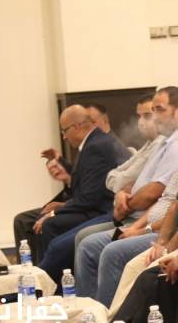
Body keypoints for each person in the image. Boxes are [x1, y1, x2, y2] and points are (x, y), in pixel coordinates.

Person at [77, 99, 178, 307]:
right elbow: (175, 204)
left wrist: (166, 246)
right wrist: (161, 242)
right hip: (160, 232)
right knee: (95, 245)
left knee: (117, 256)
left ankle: (111, 320)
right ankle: (104, 317)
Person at [38, 87, 178, 287]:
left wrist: (133, 215)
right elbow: (128, 179)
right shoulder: (161, 143)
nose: (151, 119)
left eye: (157, 110)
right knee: (78, 239)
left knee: (87, 244)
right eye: (147, 113)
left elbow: (156, 195)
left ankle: (47, 289)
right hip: (132, 214)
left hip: (135, 217)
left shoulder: (177, 147)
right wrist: (123, 194)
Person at [31, 105, 129, 251]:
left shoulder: (95, 146)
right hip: (92, 207)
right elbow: (85, 180)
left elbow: (88, 197)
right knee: (39, 220)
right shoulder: (93, 143)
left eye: (64, 131)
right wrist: (63, 166)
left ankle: (48, 266)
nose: (64, 137)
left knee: (49, 224)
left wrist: (55, 212)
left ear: (76, 127)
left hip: (102, 211)